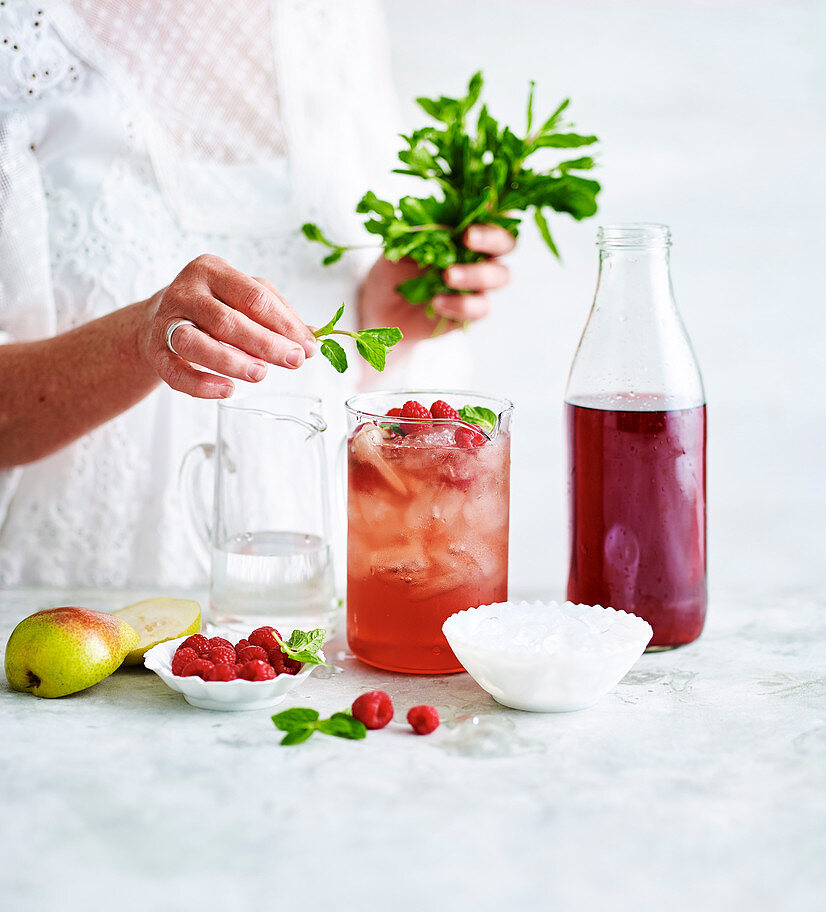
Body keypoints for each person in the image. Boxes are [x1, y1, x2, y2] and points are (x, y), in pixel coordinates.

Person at [0, 0, 514, 587]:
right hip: (79, 609)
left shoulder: (335, 17)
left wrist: (386, 318)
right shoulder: (19, 30)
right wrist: (142, 337)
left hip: (322, 616)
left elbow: (342, 385)